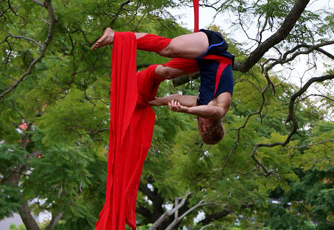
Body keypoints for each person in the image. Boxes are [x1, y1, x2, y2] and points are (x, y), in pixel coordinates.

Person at [92, 27, 234, 145]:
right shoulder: (220, 108)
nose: (199, 126)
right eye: (202, 129)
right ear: (206, 127)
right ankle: (114, 36)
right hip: (213, 48)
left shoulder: (200, 103)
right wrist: (186, 110)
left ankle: (142, 77)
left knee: (165, 72)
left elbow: (179, 98)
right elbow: (212, 112)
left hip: (202, 62)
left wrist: (155, 101)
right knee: (167, 49)